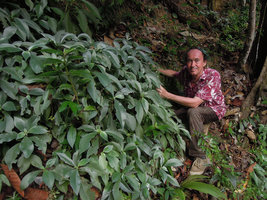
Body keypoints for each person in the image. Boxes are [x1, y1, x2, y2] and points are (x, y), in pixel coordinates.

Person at [156, 47, 226, 175]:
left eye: (197, 60)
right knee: (172, 115)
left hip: (213, 109)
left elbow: (194, 103)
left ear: (204, 62)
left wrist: (167, 95)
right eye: (189, 61)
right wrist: (156, 69)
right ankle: (173, 150)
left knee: (193, 112)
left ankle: (200, 156)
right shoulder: (187, 72)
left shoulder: (212, 75)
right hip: (193, 106)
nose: (193, 64)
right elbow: (174, 74)